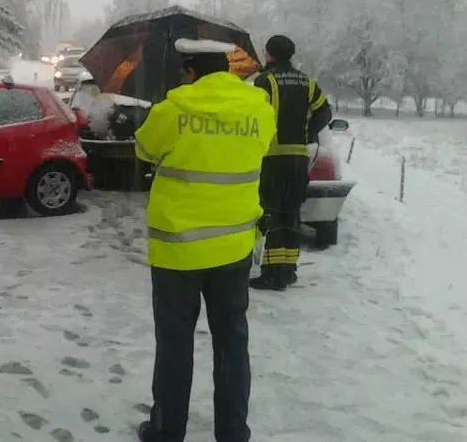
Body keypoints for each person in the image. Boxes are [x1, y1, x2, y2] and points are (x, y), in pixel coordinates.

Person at [133, 38, 276, 442]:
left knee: (175, 344)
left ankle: (166, 431)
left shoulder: (175, 108)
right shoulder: (258, 108)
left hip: (178, 250)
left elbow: (143, 149)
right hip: (233, 246)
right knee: (232, 342)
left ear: (191, 70)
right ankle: (232, 432)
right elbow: (260, 150)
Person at [250, 35, 333, 291]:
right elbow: (325, 112)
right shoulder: (307, 82)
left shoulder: (265, 81)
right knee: (291, 214)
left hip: (273, 159)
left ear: (270, 54)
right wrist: (307, 133)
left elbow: (254, 114)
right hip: (298, 159)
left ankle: (272, 274)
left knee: (272, 214)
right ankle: (288, 270)